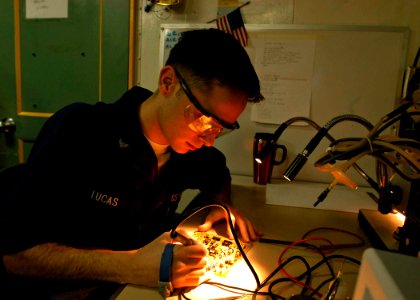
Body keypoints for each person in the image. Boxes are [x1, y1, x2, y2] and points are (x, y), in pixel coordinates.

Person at [0, 28, 264, 298]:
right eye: (204, 120)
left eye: (220, 128)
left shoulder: (189, 148)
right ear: (168, 82)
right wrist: (130, 266)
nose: (209, 140)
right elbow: (14, 255)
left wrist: (220, 204)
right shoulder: (78, 131)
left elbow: (217, 171)